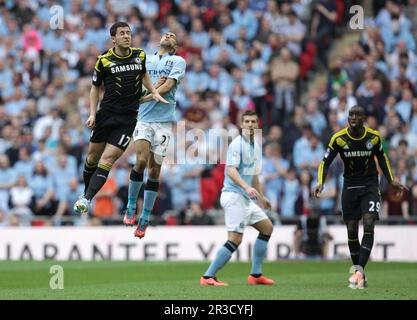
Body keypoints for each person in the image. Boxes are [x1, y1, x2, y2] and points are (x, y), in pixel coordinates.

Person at [73, 22, 167, 214]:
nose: (126, 36)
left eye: (128, 33)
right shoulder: (104, 60)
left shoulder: (139, 55)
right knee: (92, 158)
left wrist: (154, 91)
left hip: (127, 120)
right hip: (106, 116)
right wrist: (92, 113)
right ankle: (86, 193)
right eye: (122, 33)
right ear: (113, 38)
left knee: (107, 160)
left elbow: (144, 75)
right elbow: (94, 87)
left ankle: (87, 198)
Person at [313, 105, 407, 289]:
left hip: (370, 185)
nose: (353, 117)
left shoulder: (374, 136)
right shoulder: (338, 138)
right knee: (351, 229)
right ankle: (359, 272)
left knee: (369, 222)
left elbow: (382, 158)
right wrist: (320, 182)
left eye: (357, 115)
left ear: (364, 118)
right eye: (351, 115)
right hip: (349, 186)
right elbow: (325, 162)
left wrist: (392, 180)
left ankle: (357, 273)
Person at [122, 32, 186, 239]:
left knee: (155, 170)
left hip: (163, 122)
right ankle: (131, 205)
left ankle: (145, 217)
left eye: (172, 35)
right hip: (143, 119)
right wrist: (153, 88)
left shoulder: (177, 61)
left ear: (174, 44)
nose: (168, 35)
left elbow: (167, 87)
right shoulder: (145, 58)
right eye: (165, 33)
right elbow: (136, 85)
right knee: (140, 160)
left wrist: (144, 96)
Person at [200, 110, 275, 286]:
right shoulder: (236, 145)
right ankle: (208, 277)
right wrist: (246, 187)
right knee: (235, 239)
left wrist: (262, 197)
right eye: (246, 121)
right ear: (241, 125)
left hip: (246, 198)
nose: (249, 124)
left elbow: (254, 174)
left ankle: (255, 275)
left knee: (267, 228)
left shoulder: (255, 145)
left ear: (257, 125)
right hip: (234, 196)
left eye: (253, 121)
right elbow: (230, 170)